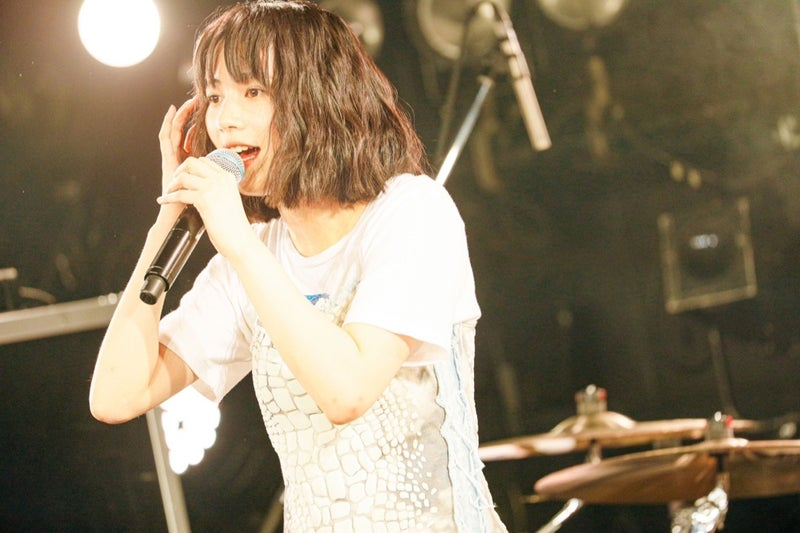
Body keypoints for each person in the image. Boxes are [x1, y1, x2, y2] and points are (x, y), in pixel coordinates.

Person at [89, 1, 507, 531]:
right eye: (214, 96)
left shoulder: (412, 210)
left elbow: (347, 392)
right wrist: (168, 219)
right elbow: (116, 395)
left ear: (318, 97)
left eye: (253, 92)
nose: (224, 119)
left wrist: (241, 245)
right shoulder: (253, 251)